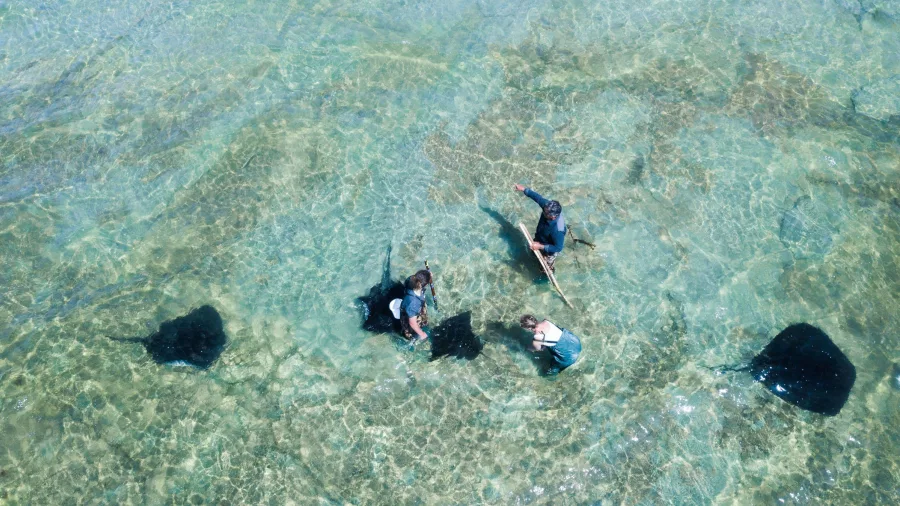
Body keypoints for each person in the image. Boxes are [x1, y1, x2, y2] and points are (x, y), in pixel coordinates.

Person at [514, 184, 565, 272]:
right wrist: (524, 189)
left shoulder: (558, 230)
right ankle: (535, 255)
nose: (543, 212)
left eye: (545, 213)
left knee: (544, 267)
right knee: (533, 252)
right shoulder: (547, 207)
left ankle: (547, 270)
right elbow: (538, 198)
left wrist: (540, 246)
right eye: (544, 210)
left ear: (553, 217)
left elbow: (558, 248)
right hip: (540, 238)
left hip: (550, 249)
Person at [399, 270, 432, 343]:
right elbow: (412, 323)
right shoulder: (413, 303)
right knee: (412, 334)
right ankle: (411, 338)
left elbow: (421, 278)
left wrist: (428, 275)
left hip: (413, 308)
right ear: (425, 284)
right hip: (410, 320)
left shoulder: (411, 279)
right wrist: (422, 334)